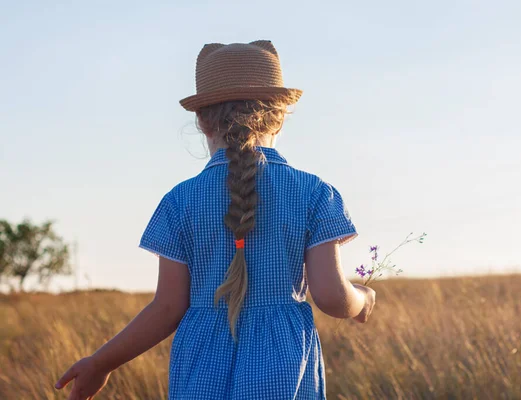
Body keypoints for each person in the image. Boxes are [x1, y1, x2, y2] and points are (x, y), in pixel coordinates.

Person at [55, 40, 376, 400]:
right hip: (282, 371)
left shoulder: (179, 201)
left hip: (200, 369)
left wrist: (100, 363)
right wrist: (362, 299)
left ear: (202, 120)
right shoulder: (314, 193)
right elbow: (332, 297)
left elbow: (166, 308)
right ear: (281, 116)